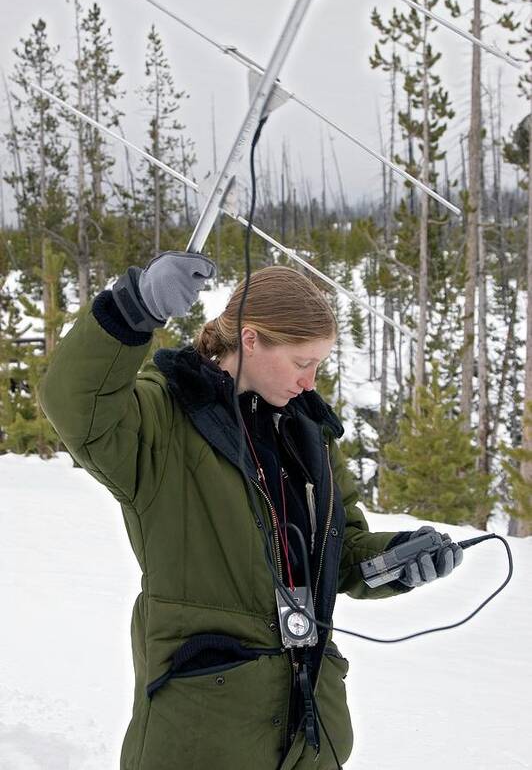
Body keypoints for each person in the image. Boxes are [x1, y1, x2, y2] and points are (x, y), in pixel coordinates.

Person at [38, 251, 463, 770]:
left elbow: (343, 553)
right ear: (251, 339)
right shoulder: (164, 419)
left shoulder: (308, 432)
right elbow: (77, 408)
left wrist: (394, 560)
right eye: (301, 362)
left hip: (307, 731)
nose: (310, 382)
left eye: (319, 365)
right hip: (205, 732)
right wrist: (133, 307)